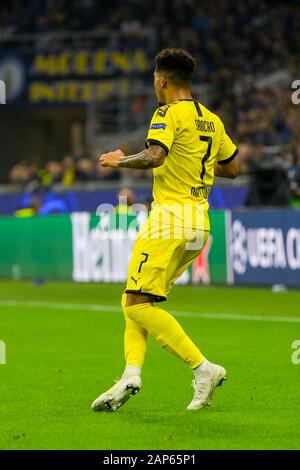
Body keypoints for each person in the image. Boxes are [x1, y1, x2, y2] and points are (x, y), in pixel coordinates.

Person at [91, 48, 238, 412]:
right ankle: (130, 373)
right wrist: (191, 162)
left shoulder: (166, 113)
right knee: (137, 300)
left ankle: (203, 368)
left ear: (162, 80)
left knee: (137, 303)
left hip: (168, 220)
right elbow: (232, 168)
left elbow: (155, 156)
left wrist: (118, 161)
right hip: (199, 224)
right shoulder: (212, 120)